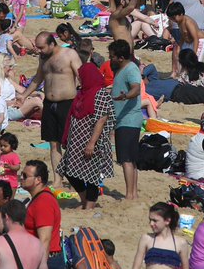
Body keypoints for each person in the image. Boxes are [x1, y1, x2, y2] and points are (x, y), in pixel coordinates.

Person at [18, 32, 80, 186]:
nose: (38, 50)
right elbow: (38, 78)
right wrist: (24, 95)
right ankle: (58, 179)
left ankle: (74, 179)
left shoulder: (69, 54)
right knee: (53, 143)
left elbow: (82, 76)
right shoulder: (43, 57)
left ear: (52, 44)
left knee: (71, 143)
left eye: (41, 47)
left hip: (67, 102)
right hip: (49, 103)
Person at [58, 62, 114, 210]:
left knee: (91, 175)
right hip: (76, 140)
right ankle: (85, 201)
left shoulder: (100, 93)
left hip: (92, 140)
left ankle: (89, 205)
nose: (80, 80)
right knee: (68, 170)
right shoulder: (82, 93)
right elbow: (72, 115)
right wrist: (66, 138)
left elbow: (101, 119)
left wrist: (92, 143)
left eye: (82, 77)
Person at [20, 159, 65, 269]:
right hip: (46, 260)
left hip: (46, 262)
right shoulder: (39, 199)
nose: (21, 178)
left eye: (25, 176)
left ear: (38, 180)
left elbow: (45, 239)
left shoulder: (43, 202)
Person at [132, 202, 190, 269]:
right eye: (150, 220)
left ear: (167, 221)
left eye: (155, 220)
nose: (151, 223)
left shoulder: (180, 243)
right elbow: (135, 268)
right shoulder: (147, 239)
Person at [108, 39, 142, 201]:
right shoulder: (123, 69)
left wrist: (125, 96)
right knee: (131, 160)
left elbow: (136, 88)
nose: (110, 59)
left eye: (112, 56)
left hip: (128, 120)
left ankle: (129, 194)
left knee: (126, 160)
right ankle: (133, 194)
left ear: (120, 58)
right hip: (126, 120)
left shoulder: (130, 69)